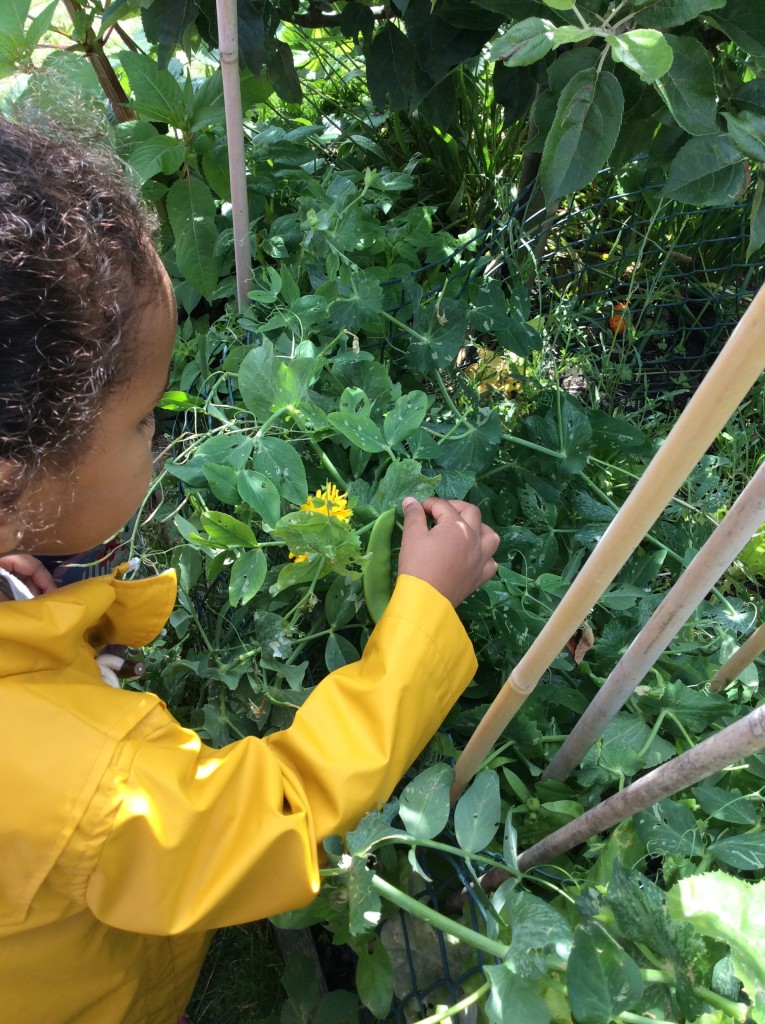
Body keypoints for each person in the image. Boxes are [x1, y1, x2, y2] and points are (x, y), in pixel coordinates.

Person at [0, 116, 500, 1024]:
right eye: (146, 419)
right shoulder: (84, 785)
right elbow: (280, 809)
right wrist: (423, 609)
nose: (161, 435)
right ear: (10, 476)